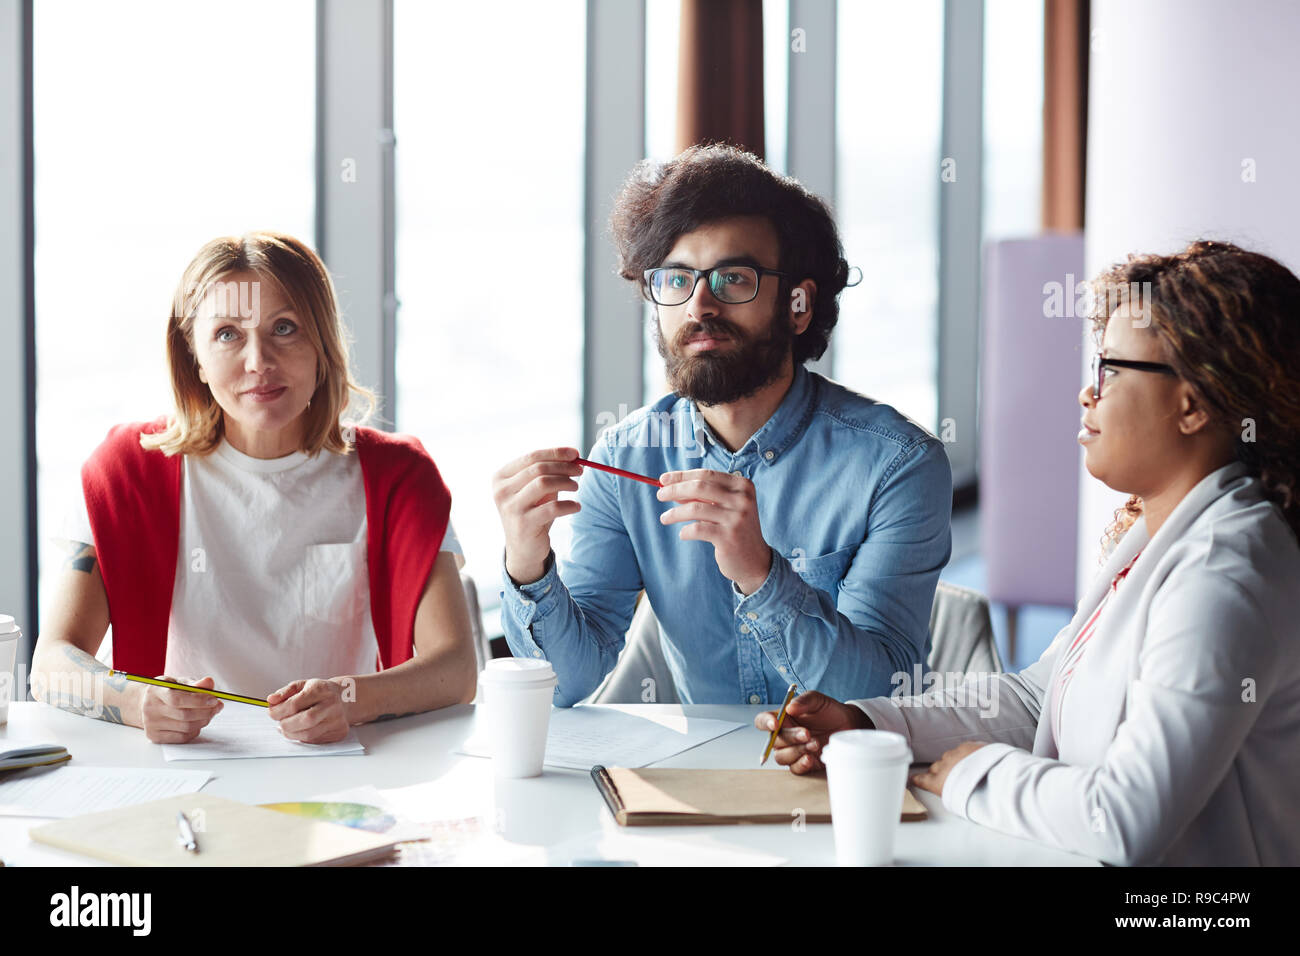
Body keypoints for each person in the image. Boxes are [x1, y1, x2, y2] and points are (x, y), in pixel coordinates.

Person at [756, 239, 1300, 866]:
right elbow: (1039, 701)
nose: (1086, 394)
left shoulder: (1223, 568)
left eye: (1112, 371)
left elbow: (1126, 818)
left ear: (1194, 402)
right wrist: (864, 723)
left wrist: (972, 774)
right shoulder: (1165, 536)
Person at [493, 145, 952, 706]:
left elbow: (880, 695)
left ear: (799, 304)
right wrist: (527, 560)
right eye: (675, 279)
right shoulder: (625, 459)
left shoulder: (898, 465)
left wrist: (762, 574)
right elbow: (567, 683)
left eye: (733, 278)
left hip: (844, 779)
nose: (699, 306)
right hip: (695, 784)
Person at [31, 231, 477, 744]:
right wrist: (137, 702)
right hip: (181, 772)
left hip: (340, 770)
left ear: (322, 346)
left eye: (284, 328)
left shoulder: (399, 477)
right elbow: (50, 665)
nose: (259, 361)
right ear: (193, 355)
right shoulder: (127, 471)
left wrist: (351, 699)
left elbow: (457, 670)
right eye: (227, 334)